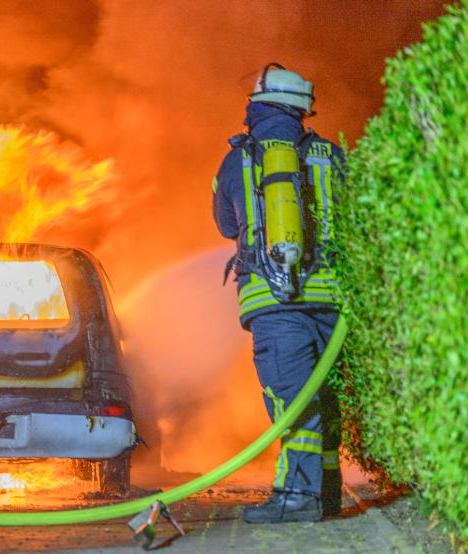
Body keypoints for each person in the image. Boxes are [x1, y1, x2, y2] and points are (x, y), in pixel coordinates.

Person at [211, 63, 345, 523]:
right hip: (331, 300)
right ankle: (327, 493)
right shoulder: (331, 154)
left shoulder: (237, 160)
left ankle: (296, 498)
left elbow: (227, 224)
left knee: (292, 399)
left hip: (274, 302)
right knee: (324, 395)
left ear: (257, 106)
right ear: (302, 110)